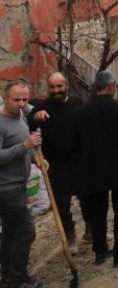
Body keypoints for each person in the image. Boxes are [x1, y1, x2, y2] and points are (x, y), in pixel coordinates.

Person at [74, 71, 118, 267]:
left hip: (93, 172)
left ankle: (100, 251)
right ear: (111, 87)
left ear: (95, 87)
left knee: (97, 213)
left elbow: (78, 146)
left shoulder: (81, 113)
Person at [27, 72, 89, 248]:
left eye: (59, 86)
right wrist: (35, 118)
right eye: (52, 87)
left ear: (66, 85)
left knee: (87, 198)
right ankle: (69, 236)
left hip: (79, 162)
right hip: (56, 166)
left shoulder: (77, 102)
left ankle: (91, 230)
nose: (55, 90)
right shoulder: (41, 106)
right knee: (61, 206)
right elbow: (27, 123)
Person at [0, 81, 43, 288]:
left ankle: (8, 276)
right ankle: (17, 280)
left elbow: (26, 145)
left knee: (10, 232)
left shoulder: (21, 118)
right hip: (5, 189)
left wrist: (36, 157)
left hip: (19, 185)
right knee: (26, 231)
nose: (22, 103)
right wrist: (25, 145)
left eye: (25, 99)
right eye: (16, 99)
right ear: (4, 98)